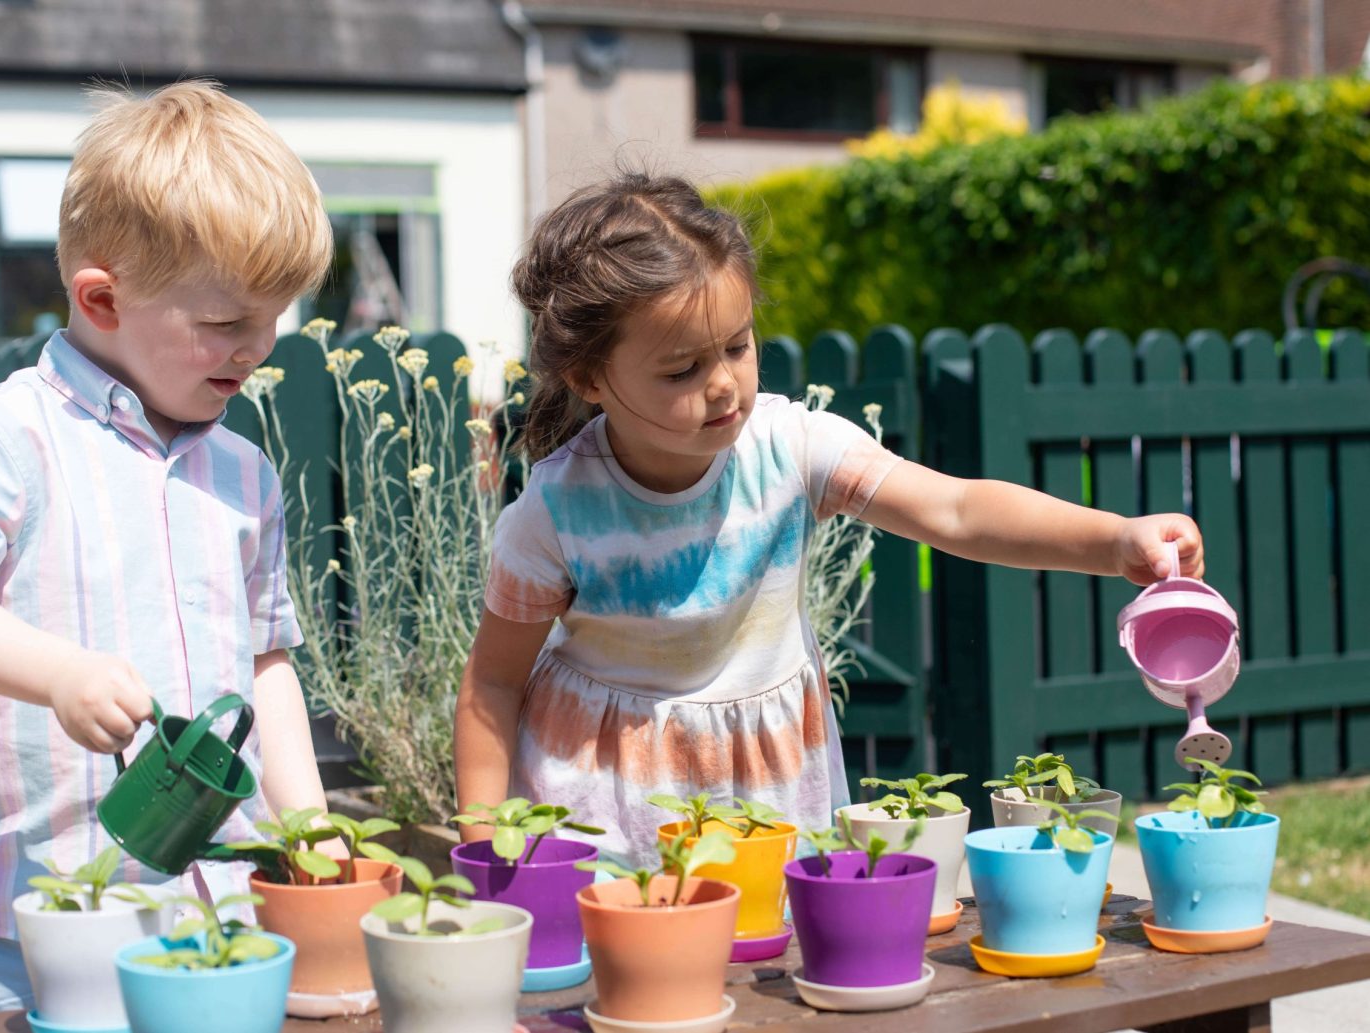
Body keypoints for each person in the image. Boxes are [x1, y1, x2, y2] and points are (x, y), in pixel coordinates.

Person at [453, 172, 1205, 866]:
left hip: (771, 797)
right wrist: (485, 849)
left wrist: (1114, 539)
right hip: (602, 815)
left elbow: (957, 508)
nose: (724, 386)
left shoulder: (791, 445)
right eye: (683, 369)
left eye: (739, 347)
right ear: (589, 377)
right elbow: (491, 685)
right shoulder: (554, 511)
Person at [0, 81, 335, 1016]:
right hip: (43, 922)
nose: (258, 348)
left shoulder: (243, 471)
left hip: (219, 920)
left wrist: (310, 824)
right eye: (224, 324)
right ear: (102, 297)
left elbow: (266, 658)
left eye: (272, 317)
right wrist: (58, 674)